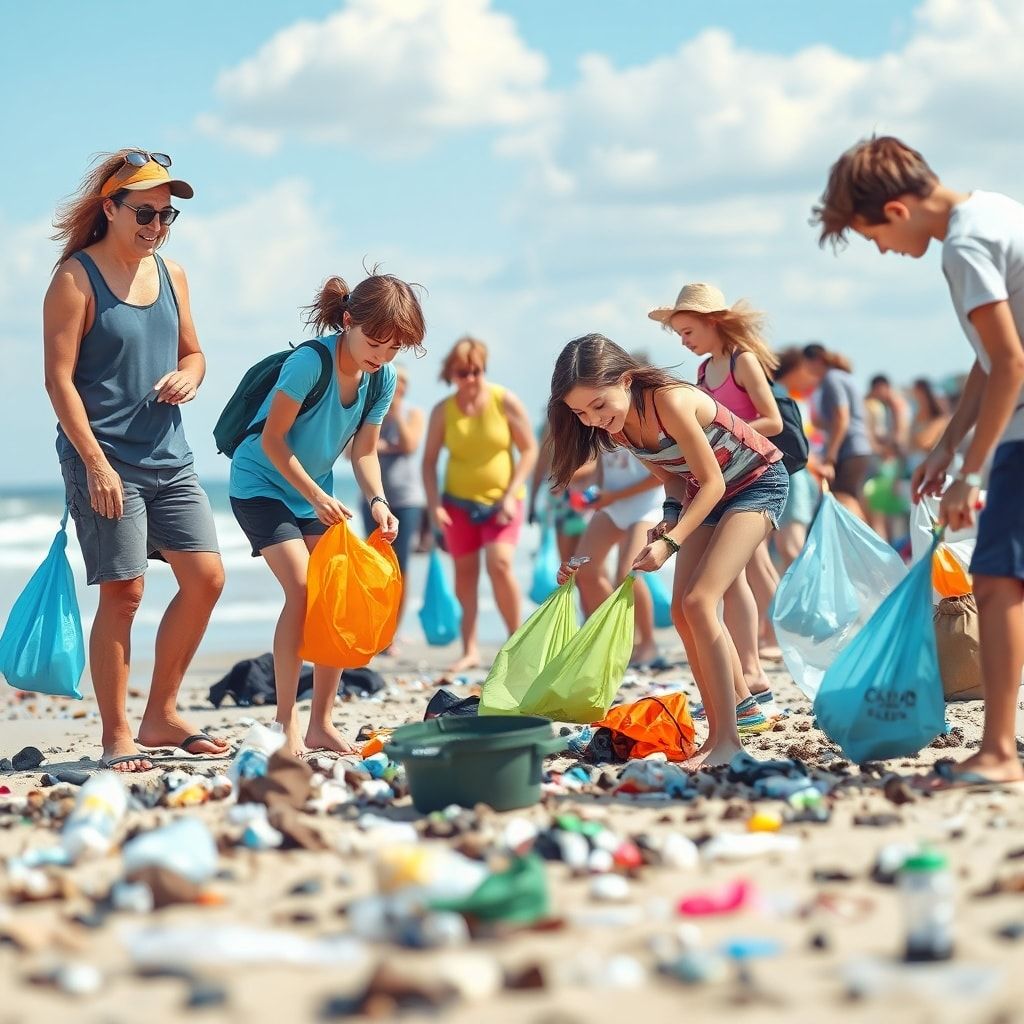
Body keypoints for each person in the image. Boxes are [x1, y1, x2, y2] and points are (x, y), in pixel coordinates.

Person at [813, 134, 1024, 788]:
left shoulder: (962, 246)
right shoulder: (995, 211)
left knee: (995, 581)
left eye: (871, 235)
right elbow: (993, 355)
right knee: (999, 578)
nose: (879, 249)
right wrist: (948, 443)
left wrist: (969, 471)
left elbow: (1011, 362)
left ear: (897, 211)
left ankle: (997, 753)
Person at [43, 149, 226, 773]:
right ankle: (117, 732)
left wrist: (188, 376)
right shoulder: (75, 278)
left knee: (206, 579)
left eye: (166, 216)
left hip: (169, 456)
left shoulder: (172, 274)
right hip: (106, 456)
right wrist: (95, 465)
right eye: (144, 213)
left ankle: (162, 714)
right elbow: (59, 382)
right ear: (111, 208)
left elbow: (195, 353)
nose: (155, 226)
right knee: (124, 592)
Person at [551, 336, 788, 769]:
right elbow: (676, 480)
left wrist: (671, 541)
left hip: (757, 484)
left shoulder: (671, 402)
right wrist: (669, 517)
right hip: (706, 494)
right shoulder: (618, 427)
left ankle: (728, 741)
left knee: (700, 601)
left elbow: (714, 481)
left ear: (625, 380)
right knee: (682, 612)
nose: (594, 420)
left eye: (599, 405)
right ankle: (723, 728)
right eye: (581, 413)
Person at [229, 272, 425, 756]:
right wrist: (315, 494)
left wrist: (378, 500)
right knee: (302, 589)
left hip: (316, 494)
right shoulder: (308, 363)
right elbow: (272, 441)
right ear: (347, 321)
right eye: (375, 342)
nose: (381, 355)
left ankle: (321, 722)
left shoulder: (382, 377)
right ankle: (284, 723)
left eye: (393, 348)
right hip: (260, 485)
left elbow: (364, 453)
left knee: (336, 595)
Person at [649, 283, 783, 723]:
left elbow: (773, 420)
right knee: (725, 585)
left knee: (728, 583)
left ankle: (752, 668)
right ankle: (746, 679)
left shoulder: (743, 361)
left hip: (752, 476)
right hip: (716, 485)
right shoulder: (705, 373)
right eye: (680, 336)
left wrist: (722, 427)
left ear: (711, 322)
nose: (685, 343)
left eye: (688, 332)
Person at [422, 337, 538, 672]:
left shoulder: (505, 401)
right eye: (462, 372)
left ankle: (517, 643)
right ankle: (470, 649)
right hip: (457, 504)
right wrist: (434, 506)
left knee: (500, 565)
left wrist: (510, 494)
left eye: (477, 371)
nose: (471, 378)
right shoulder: (442, 411)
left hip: (503, 502)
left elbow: (529, 450)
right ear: (451, 374)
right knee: (464, 575)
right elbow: (428, 462)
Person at [570, 446, 663, 668]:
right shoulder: (596, 419)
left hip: (646, 506)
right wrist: (591, 489)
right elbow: (604, 463)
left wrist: (613, 496)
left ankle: (649, 644)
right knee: (584, 569)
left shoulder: (638, 420)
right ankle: (611, 640)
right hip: (612, 505)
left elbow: (660, 476)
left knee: (628, 572)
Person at [358, 365, 426, 646]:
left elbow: (410, 444)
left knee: (401, 565)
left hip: (406, 500)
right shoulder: (370, 411)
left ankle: (393, 632)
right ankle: (375, 628)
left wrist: (395, 412)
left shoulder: (412, 413)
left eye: (401, 386)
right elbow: (354, 450)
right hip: (372, 500)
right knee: (373, 565)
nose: (396, 391)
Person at [801, 344, 873, 520]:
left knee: (843, 497)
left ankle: (862, 545)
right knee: (850, 498)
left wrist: (830, 456)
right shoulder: (843, 376)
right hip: (859, 448)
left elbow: (842, 418)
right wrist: (823, 424)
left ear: (816, 360)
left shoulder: (831, 379)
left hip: (849, 450)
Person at [773, 348, 823, 567]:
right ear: (794, 369)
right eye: (807, 370)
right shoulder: (784, 397)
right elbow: (795, 445)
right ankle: (809, 598)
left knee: (787, 547)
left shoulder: (784, 395)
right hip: (795, 477)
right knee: (792, 546)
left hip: (796, 475)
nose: (812, 376)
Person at [908, 378, 951, 474]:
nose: (917, 399)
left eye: (919, 395)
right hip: (918, 467)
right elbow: (910, 445)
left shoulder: (941, 420)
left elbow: (924, 442)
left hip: (936, 469)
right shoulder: (916, 420)